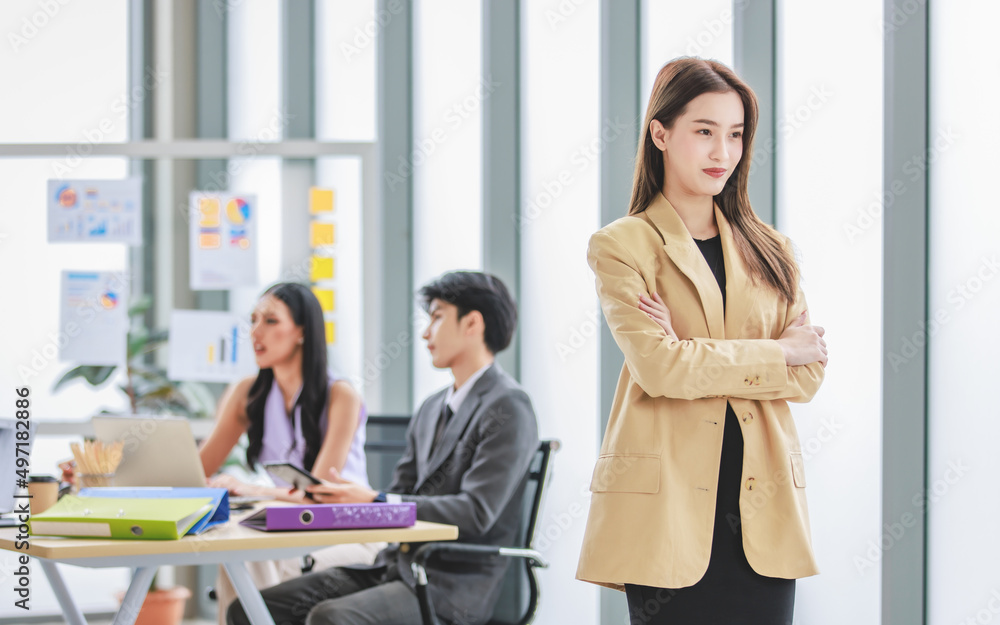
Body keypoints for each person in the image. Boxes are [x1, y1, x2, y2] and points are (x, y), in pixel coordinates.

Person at [576, 57, 828, 624]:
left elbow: (809, 375)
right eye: (705, 132)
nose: (723, 153)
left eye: (736, 135)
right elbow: (661, 369)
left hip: (763, 513)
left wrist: (698, 356)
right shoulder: (623, 246)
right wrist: (777, 351)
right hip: (667, 517)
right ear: (660, 133)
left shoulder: (771, 249)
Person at [228, 271, 539, 625]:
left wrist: (376, 500)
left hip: (451, 586)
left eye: (436, 317)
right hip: (394, 567)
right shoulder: (431, 408)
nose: (425, 333)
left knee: (330, 617)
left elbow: (475, 512)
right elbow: (403, 492)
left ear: (472, 323)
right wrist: (358, 501)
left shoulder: (508, 406)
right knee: (249, 610)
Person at [198, 282, 381, 624]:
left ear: (301, 332)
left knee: (250, 556)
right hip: (289, 528)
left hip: (350, 533)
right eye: (253, 319)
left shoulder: (341, 395)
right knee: (237, 553)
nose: (255, 331)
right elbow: (198, 468)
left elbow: (321, 493)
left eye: (270, 321)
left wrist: (254, 490)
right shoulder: (247, 393)